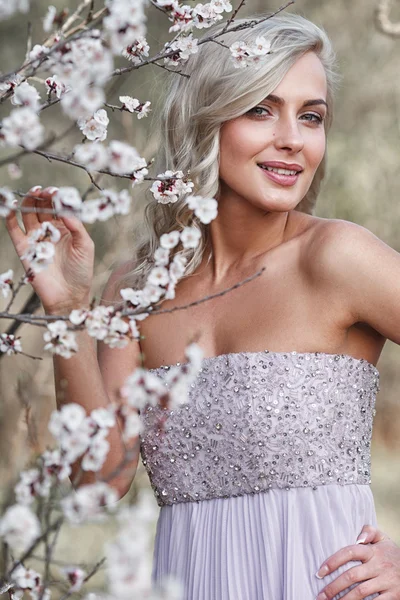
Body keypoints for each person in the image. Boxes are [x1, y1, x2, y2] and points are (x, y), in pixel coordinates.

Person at [5, 10, 400, 600]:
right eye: (262, 109)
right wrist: (67, 308)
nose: (292, 137)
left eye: (311, 116)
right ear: (205, 120)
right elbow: (100, 479)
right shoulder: (136, 291)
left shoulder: (336, 257)